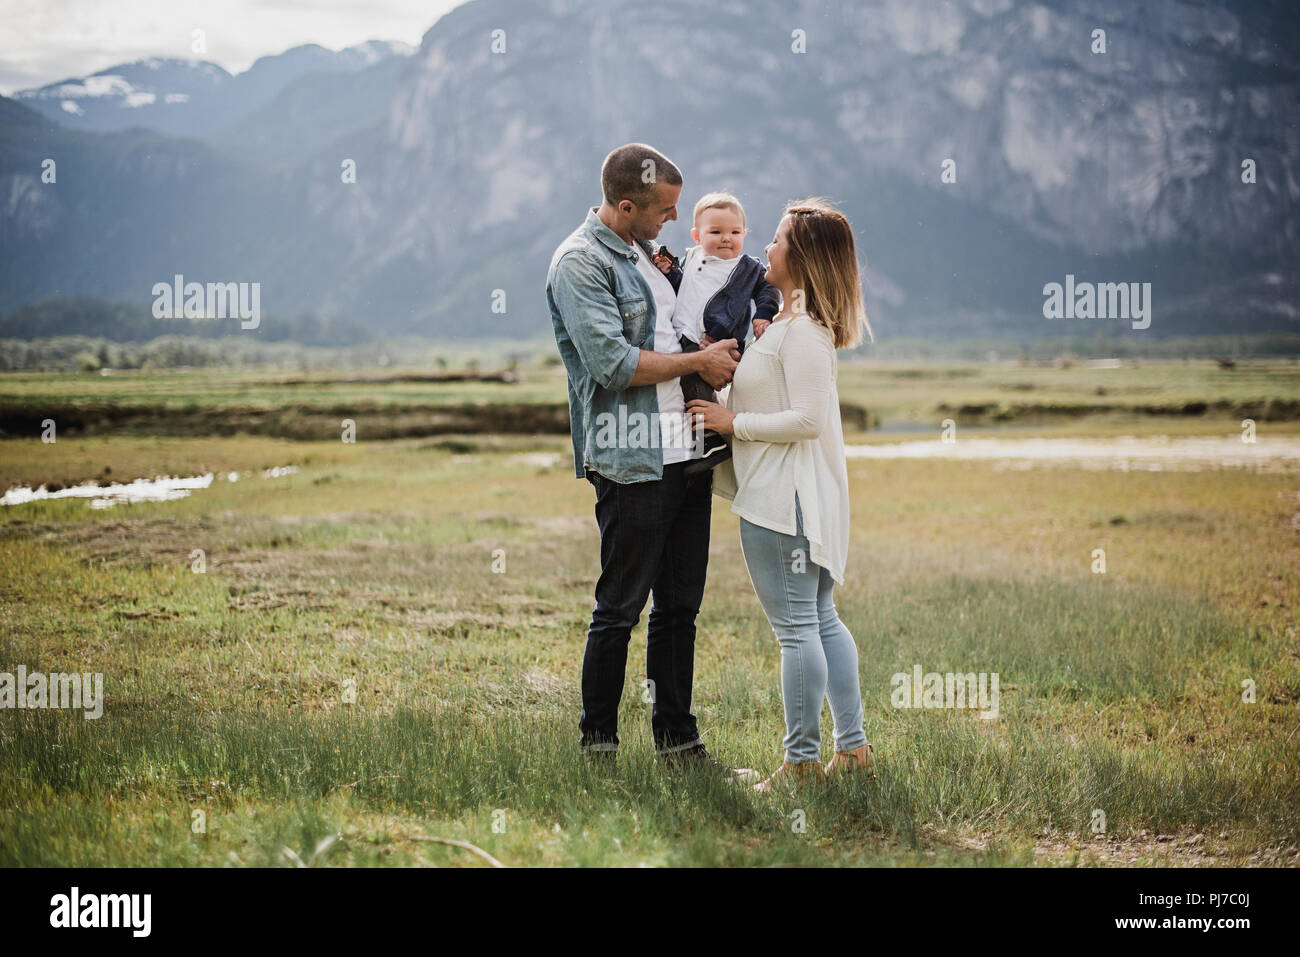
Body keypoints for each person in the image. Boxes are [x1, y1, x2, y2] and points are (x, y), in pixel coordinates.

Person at [544, 142, 748, 772]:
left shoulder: (650, 255)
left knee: (680, 608)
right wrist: (699, 363)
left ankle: (678, 744)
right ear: (626, 205)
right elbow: (611, 365)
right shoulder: (580, 263)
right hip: (632, 460)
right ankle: (597, 750)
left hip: (687, 453)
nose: (672, 221)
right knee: (620, 610)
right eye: (663, 210)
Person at [686, 197, 876, 791]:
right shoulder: (788, 327)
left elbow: (806, 420)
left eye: (776, 239)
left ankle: (801, 765)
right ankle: (852, 750)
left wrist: (729, 424)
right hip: (788, 497)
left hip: (782, 502)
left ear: (802, 258)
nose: (765, 248)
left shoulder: (804, 335)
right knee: (819, 620)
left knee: (797, 629)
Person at [649, 191, 780, 477]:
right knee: (685, 388)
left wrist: (763, 315)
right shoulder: (692, 258)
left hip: (718, 339)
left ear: (745, 234)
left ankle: (711, 441)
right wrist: (670, 271)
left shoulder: (747, 268)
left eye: (735, 232)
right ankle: (701, 441)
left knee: (696, 389)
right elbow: (685, 288)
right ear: (696, 236)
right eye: (716, 232)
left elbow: (768, 289)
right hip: (684, 335)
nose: (726, 238)